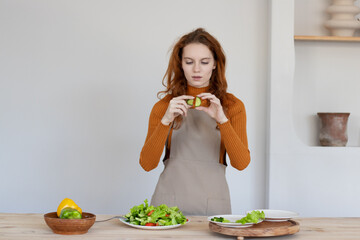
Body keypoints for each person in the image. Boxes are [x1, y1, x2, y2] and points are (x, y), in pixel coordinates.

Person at [139, 28, 250, 216]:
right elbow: (147, 164)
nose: (196, 69)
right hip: (166, 207)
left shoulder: (232, 106)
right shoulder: (164, 107)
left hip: (213, 207)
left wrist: (222, 120)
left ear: (215, 64)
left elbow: (241, 163)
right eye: (189, 62)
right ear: (180, 64)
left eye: (204, 62)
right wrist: (166, 121)